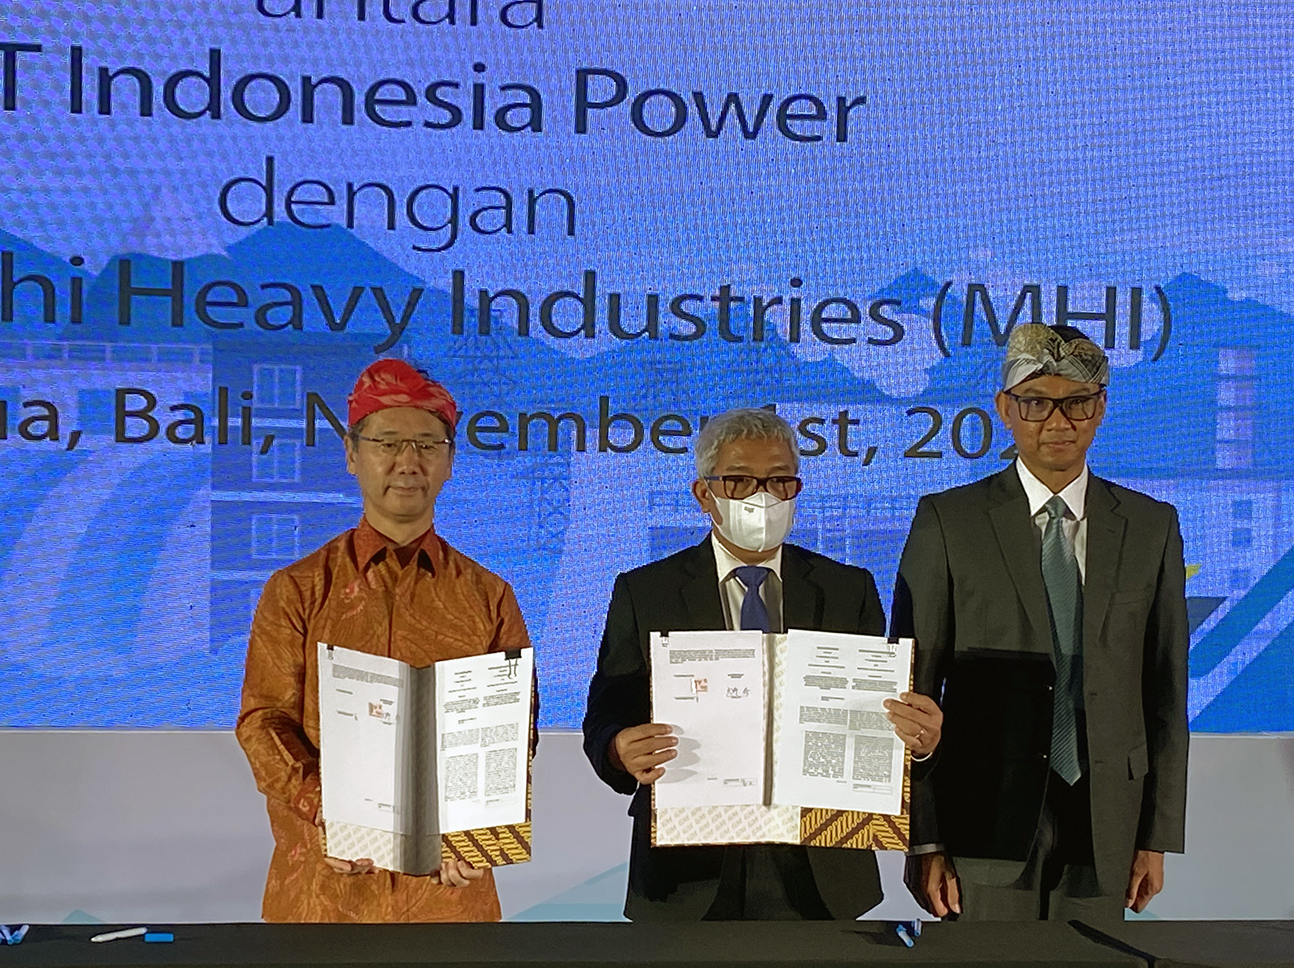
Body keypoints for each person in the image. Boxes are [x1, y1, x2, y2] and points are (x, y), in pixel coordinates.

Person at [582, 407, 942, 921]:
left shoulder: (848, 589)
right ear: (704, 494)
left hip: (822, 865)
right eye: (739, 481)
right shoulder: (645, 591)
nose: (762, 497)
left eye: (779, 481)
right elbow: (603, 719)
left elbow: (882, 723)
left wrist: (919, 746)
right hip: (690, 871)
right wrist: (618, 750)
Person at [892, 323, 1189, 923]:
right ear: (1005, 409)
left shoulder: (1150, 525)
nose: (1058, 421)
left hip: (1107, 813)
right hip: (982, 815)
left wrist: (1156, 833)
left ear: (1101, 407)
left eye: (1077, 401)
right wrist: (923, 839)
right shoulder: (949, 522)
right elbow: (911, 692)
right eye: (1035, 402)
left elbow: (1166, 690)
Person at [235, 357, 530, 922]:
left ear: (449, 461)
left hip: (449, 897)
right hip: (324, 891)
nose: (407, 462)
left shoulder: (489, 594)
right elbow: (262, 723)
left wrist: (482, 837)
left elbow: (515, 735)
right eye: (387, 442)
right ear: (352, 455)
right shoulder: (297, 589)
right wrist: (328, 809)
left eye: (427, 444)